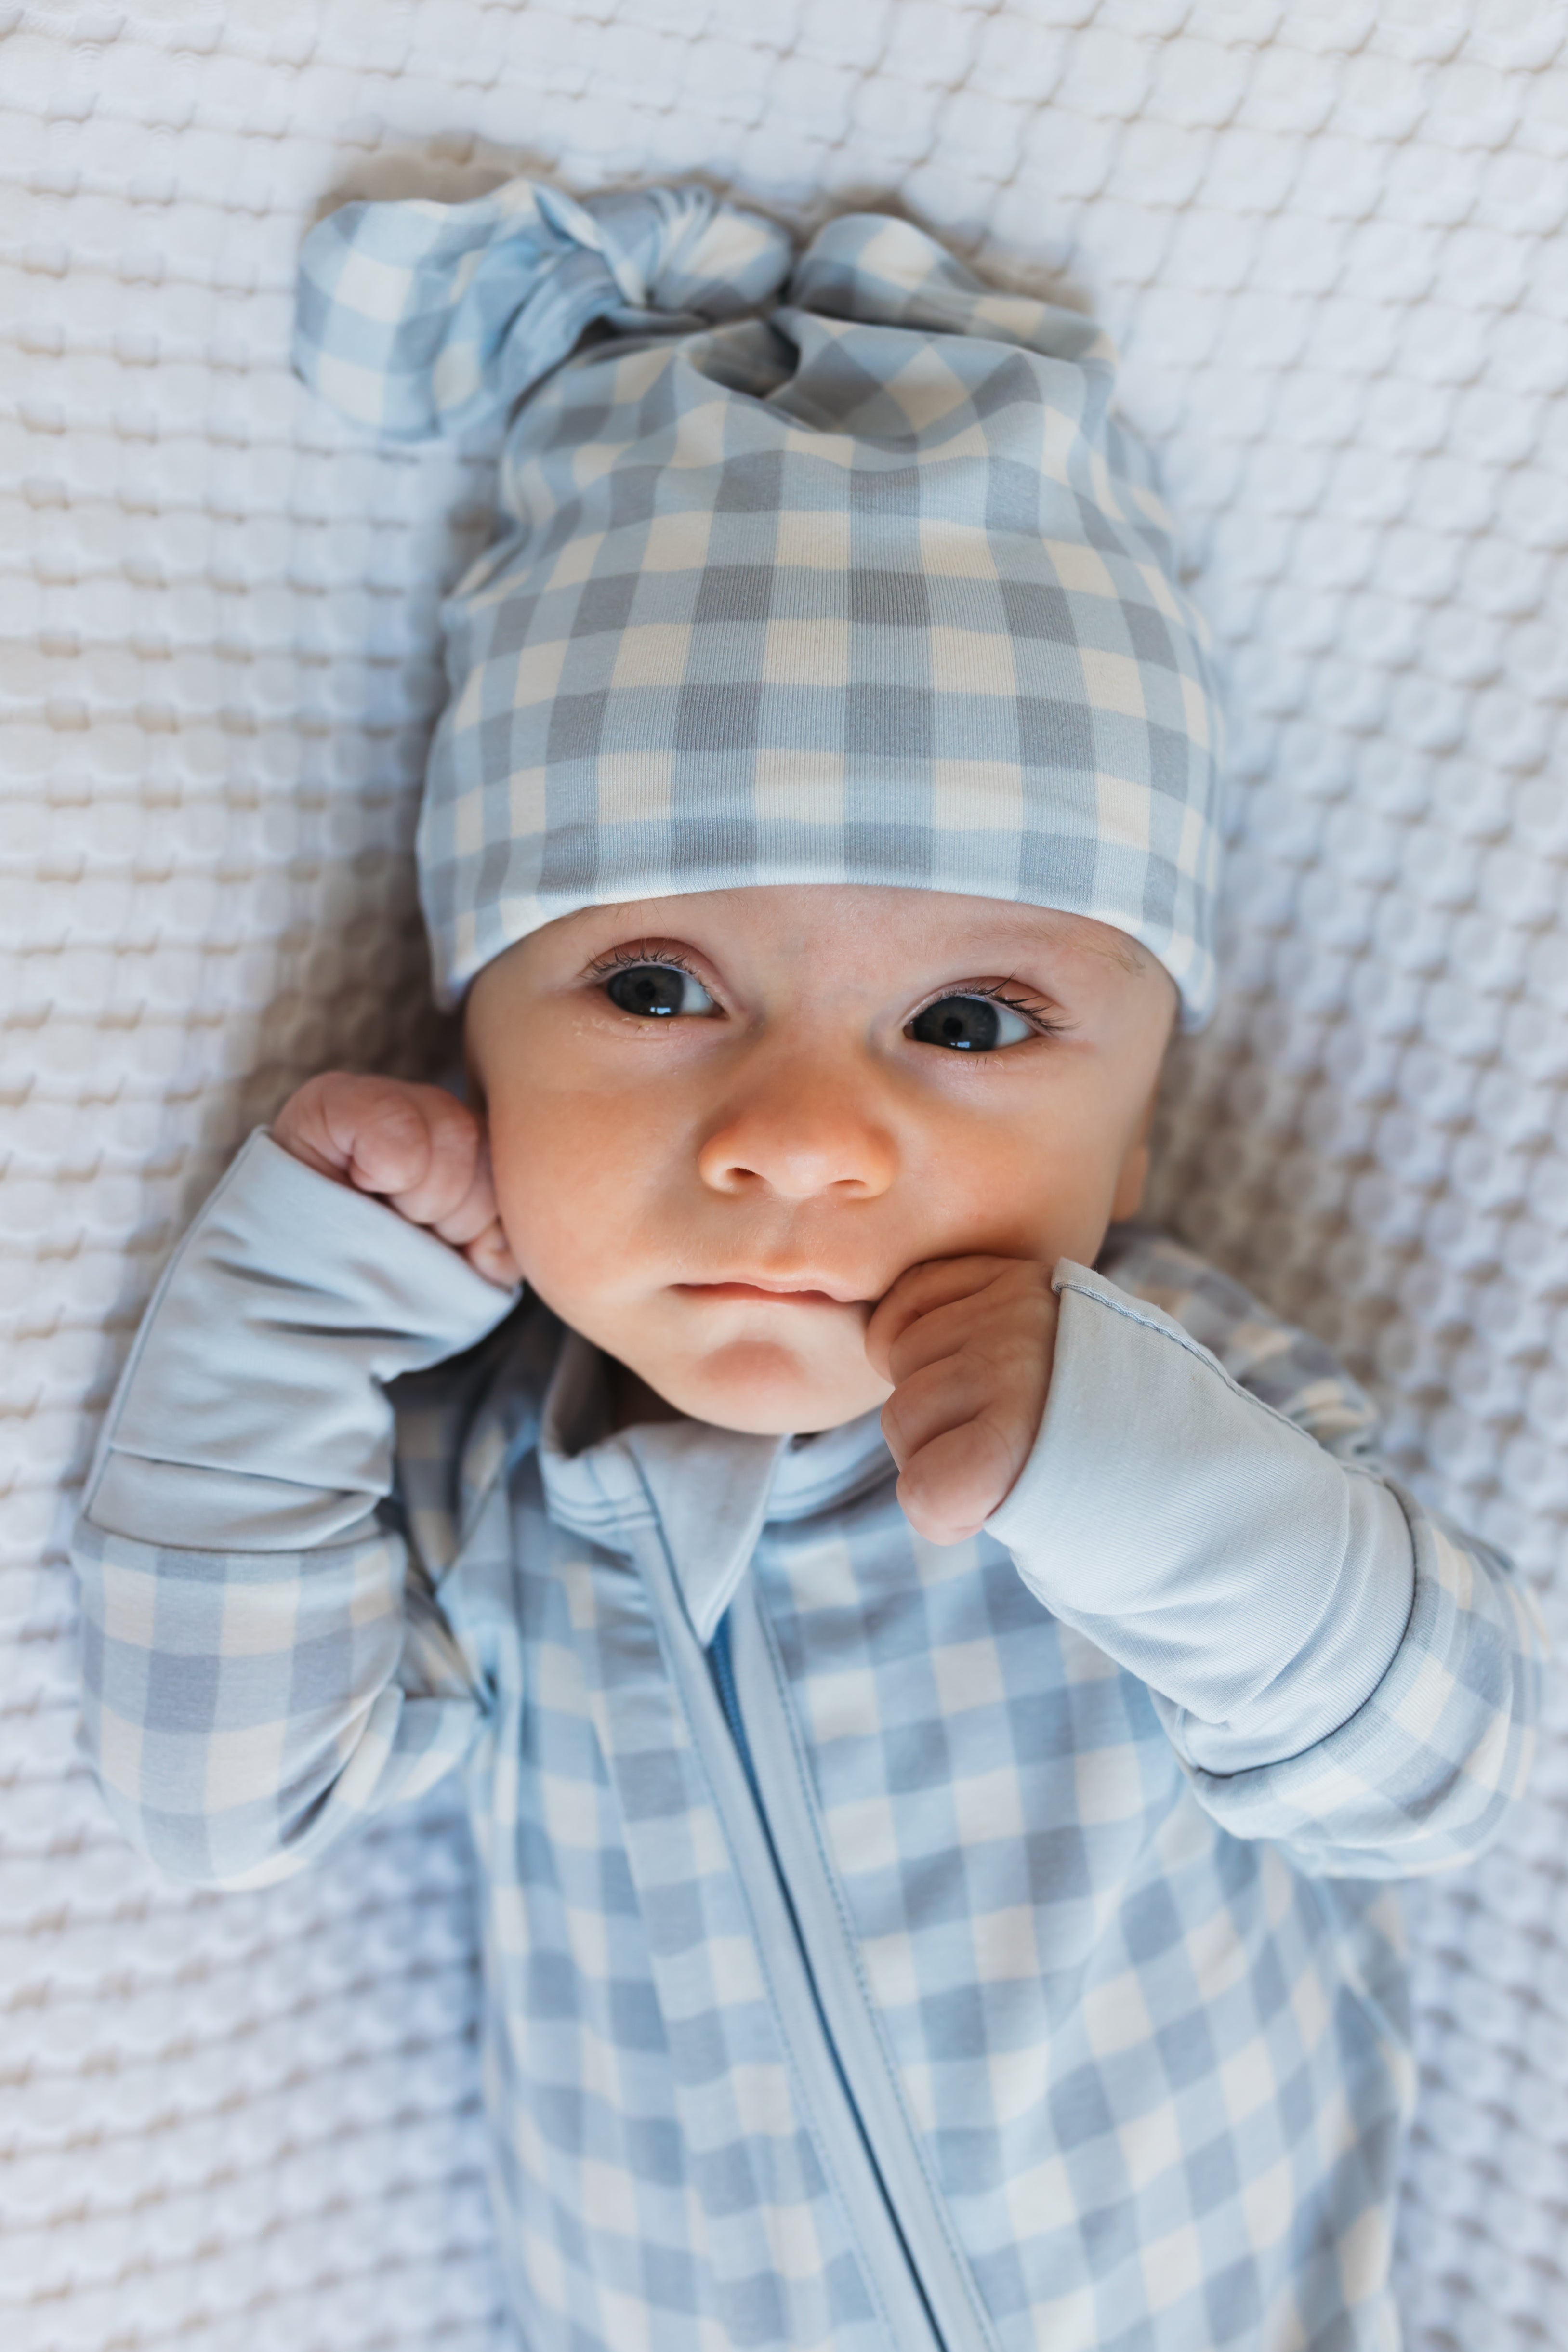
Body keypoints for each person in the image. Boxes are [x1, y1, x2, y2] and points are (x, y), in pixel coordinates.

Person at [72, 180, 1541, 2351]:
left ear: (1134, 1122)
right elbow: (222, 1802)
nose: (793, 1144)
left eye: (965, 1025)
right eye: (657, 987)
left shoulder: (1180, 1395)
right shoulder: (505, 1494)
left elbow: (1436, 1768)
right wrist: (289, 1313)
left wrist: (1122, 1472)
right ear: (467, 1022)